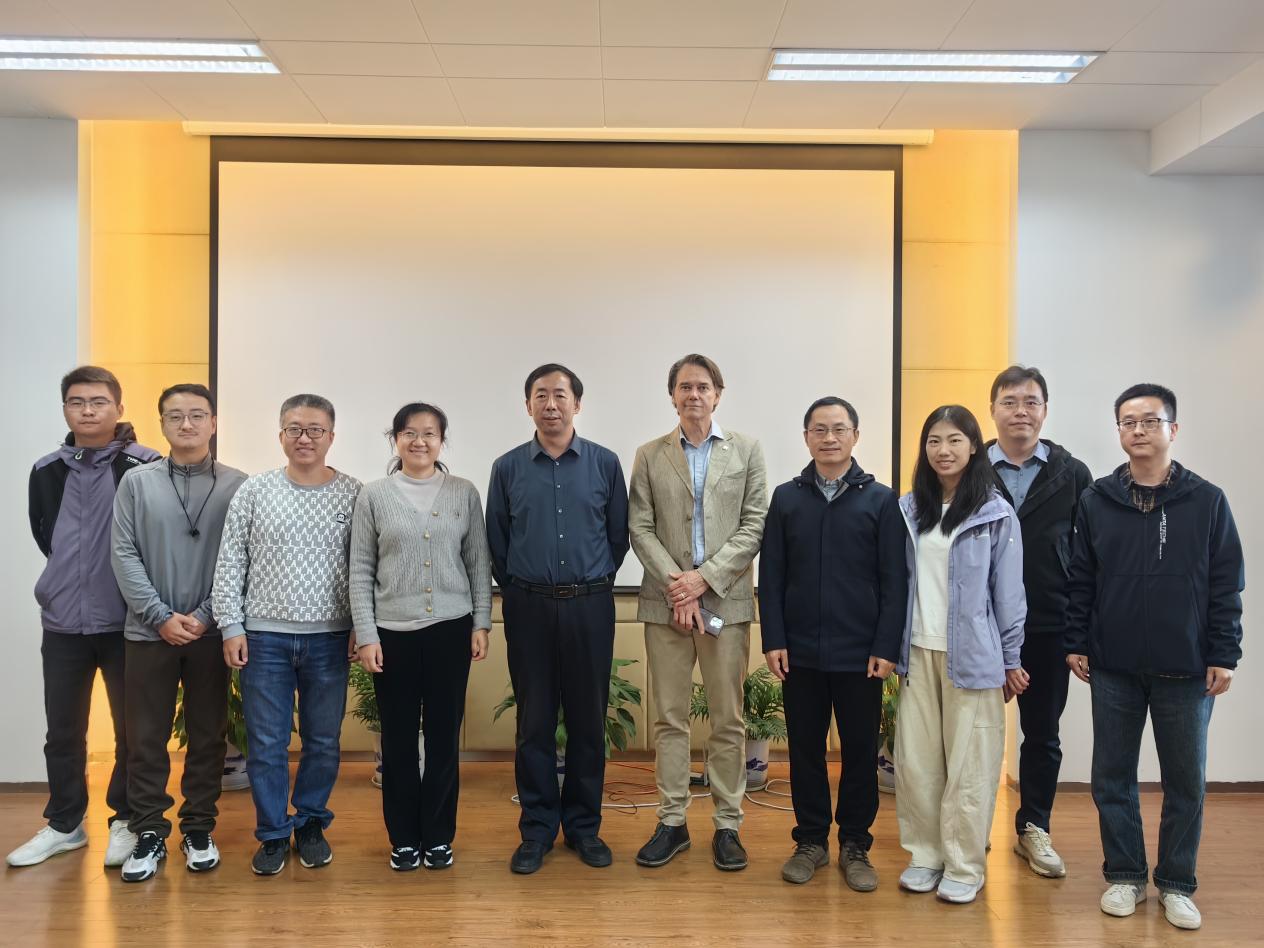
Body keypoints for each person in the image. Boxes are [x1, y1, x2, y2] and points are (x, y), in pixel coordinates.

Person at [1066, 383, 1243, 932]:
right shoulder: (1097, 499)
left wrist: (1224, 652)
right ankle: (1124, 875)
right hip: (1113, 665)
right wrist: (1076, 641)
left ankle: (1176, 883)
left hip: (1185, 667)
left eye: (1150, 420)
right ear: (1118, 431)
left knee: (1185, 782)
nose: (1138, 430)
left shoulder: (1206, 500)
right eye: (1128, 422)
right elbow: (1080, 578)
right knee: (1111, 777)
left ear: (1173, 429)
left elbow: (1226, 583)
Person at [8, 366, 160, 869]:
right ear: (65, 410)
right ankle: (64, 824)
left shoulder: (145, 466)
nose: (88, 410)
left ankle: (126, 819)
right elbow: (45, 535)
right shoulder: (45, 470)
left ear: (118, 407)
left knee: (131, 730)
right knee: (62, 731)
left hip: (127, 624)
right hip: (63, 624)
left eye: (98, 401)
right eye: (77, 402)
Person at [486, 364, 629, 875]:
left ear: (577, 404)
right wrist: (525, 588)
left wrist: (589, 582)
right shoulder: (507, 467)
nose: (551, 404)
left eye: (560, 395)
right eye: (541, 395)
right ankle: (538, 829)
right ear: (528, 405)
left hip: (590, 605)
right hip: (528, 606)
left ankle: (584, 828)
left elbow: (618, 536)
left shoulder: (605, 463)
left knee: (588, 720)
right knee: (534, 722)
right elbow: (497, 540)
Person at [628, 354, 767, 872]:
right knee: (669, 718)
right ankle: (672, 822)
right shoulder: (649, 454)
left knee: (728, 718)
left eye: (703, 386)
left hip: (725, 603)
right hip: (665, 604)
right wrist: (679, 586)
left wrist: (703, 579)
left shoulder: (747, 450)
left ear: (718, 394)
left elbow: (754, 525)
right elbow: (639, 527)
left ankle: (728, 825)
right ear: (672, 395)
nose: (694, 394)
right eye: (684, 386)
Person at [760, 397, 906, 888]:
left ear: (855, 436)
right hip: (799, 651)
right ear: (806, 438)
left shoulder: (881, 500)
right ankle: (811, 842)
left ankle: (856, 845)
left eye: (839, 429)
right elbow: (772, 574)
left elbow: (894, 580)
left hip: (861, 654)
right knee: (805, 750)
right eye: (819, 429)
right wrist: (774, 638)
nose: (829, 438)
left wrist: (886, 646)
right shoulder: (787, 498)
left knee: (860, 751)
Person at [213, 393, 361, 876]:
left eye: (315, 429)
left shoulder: (354, 493)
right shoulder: (255, 491)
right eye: (295, 429)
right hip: (264, 639)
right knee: (267, 743)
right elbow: (230, 561)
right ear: (280, 435)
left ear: (331, 437)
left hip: (330, 639)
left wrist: (361, 627)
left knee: (323, 741)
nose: (304, 438)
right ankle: (274, 832)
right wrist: (231, 625)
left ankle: (311, 822)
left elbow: (365, 567)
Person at [110, 383, 247, 882]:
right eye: (175, 416)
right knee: (144, 737)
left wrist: (207, 616)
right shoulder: (136, 483)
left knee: (208, 735)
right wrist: (160, 616)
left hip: (211, 635)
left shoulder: (239, 485)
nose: (186, 424)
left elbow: (243, 560)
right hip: (149, 634)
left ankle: (198, 828)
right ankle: (149, 829)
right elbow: (122, 553)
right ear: (162, 424)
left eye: (196, 415)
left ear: (213, 423)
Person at [351, 402, 493, 872]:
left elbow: (478, 563)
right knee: (397, 739)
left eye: (429, 433)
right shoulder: (373, 495)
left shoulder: (463, 492)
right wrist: (367, 634)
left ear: (442, 441)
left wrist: (481, 622)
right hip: (392, 634)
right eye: (409, 433)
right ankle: (403, 838)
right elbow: (360, 569)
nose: (419, 441)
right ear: (395, 439)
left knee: (443, 737)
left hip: (451, 630)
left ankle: (438, 835)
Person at [895, 405, 1028, 904]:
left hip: (973, 656)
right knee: (917, 763)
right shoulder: (909, 509)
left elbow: (1009, 595)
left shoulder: (994, 512)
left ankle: (965, 864)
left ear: (974, 446)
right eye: (934, 440)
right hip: (916, 652)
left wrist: (1011, 659)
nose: (943, 450)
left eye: (954, 440)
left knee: (971, 766)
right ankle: (926, 855)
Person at [986, 365, 1092, 878]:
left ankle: (1034, 828)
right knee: (970, 732)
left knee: (1042, 734)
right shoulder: (969, 467)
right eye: (1009, 402)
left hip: (1047, 627)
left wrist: (1079, 633)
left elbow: (1089, 559)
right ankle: (967, 830)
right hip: (980, 626)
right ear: (993, 410)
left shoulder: (1073, 474)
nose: (1020, 411)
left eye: (1030, 402)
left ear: (1045, 410)